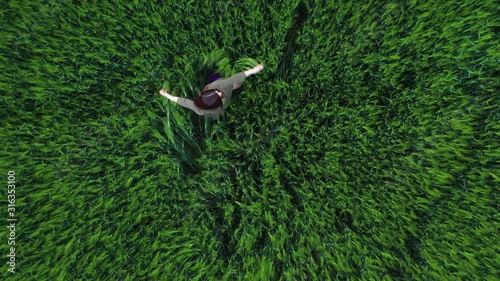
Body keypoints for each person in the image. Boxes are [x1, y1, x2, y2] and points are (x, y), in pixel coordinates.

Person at [159, 64, 264, 121]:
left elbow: (180, 101)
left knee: (227, 84)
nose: (218, 92)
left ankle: (215, 118)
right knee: (235, 85)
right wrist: (253, 70)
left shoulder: (198, 109)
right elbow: (234, 78)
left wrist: (166, 95)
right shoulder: (218, 87)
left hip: (217, 107)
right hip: (226, 91)